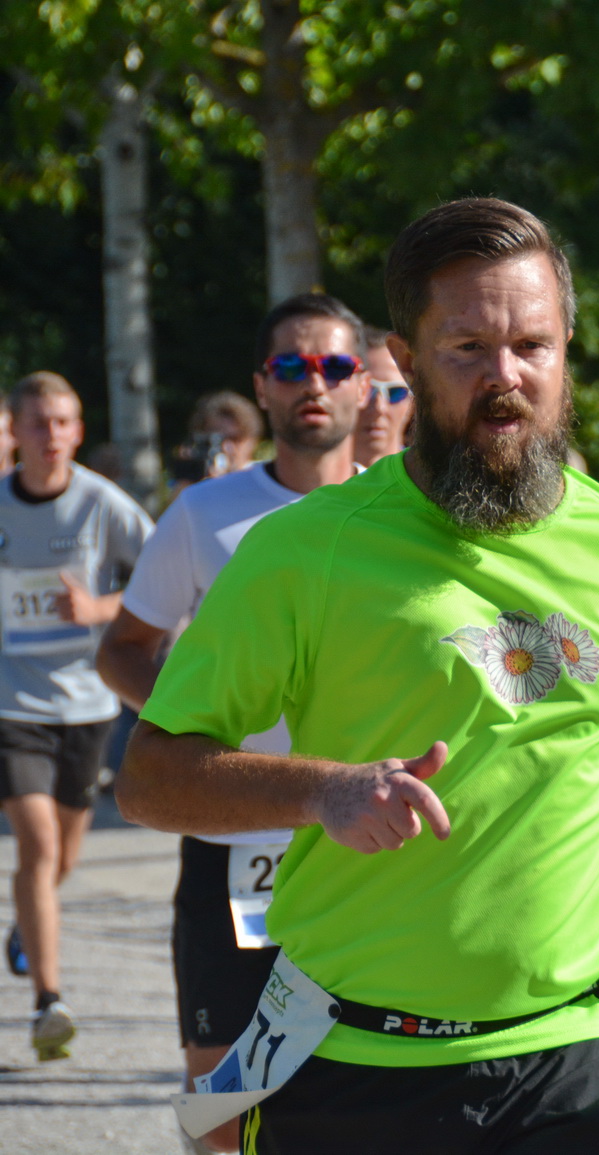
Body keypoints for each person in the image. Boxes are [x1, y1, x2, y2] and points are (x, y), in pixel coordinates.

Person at [115, 197, 599, 1154]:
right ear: (402, 364)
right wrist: (322, 789)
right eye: (468, 350)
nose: (507, 379)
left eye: (533, 345)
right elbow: (152, 776)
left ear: (569, 345)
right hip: (349, 1060)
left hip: (568, 1054)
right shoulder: (303, 551)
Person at [96, 291, 367, 1153]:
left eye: (332, 365)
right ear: (263, 387)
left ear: (364, 384)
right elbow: (123, 649)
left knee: (362, 1084)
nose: (311, 382)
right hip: (233, 838)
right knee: (223, 1106)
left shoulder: (403, 516)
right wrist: (189, 736)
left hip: (362, 839)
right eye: (291, 366)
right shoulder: (205, 515)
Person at [0, 371, 153, 1060]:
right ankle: (48, 1001)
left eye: (62, 422)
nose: (50, 436)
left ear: (79, 429)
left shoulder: (103, 503)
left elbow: (161, 582)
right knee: (35, 846)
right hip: (11, 700)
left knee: (62, 856)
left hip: (87, 702)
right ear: (15, 431)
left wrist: (93, 610)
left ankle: (29, 928)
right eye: (37, 423)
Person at [352, 325, 415, 467]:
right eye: (367, 390)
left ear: (413, 403)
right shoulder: (305, 483)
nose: (379, 408)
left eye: (395, 393)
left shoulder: (434, 482)